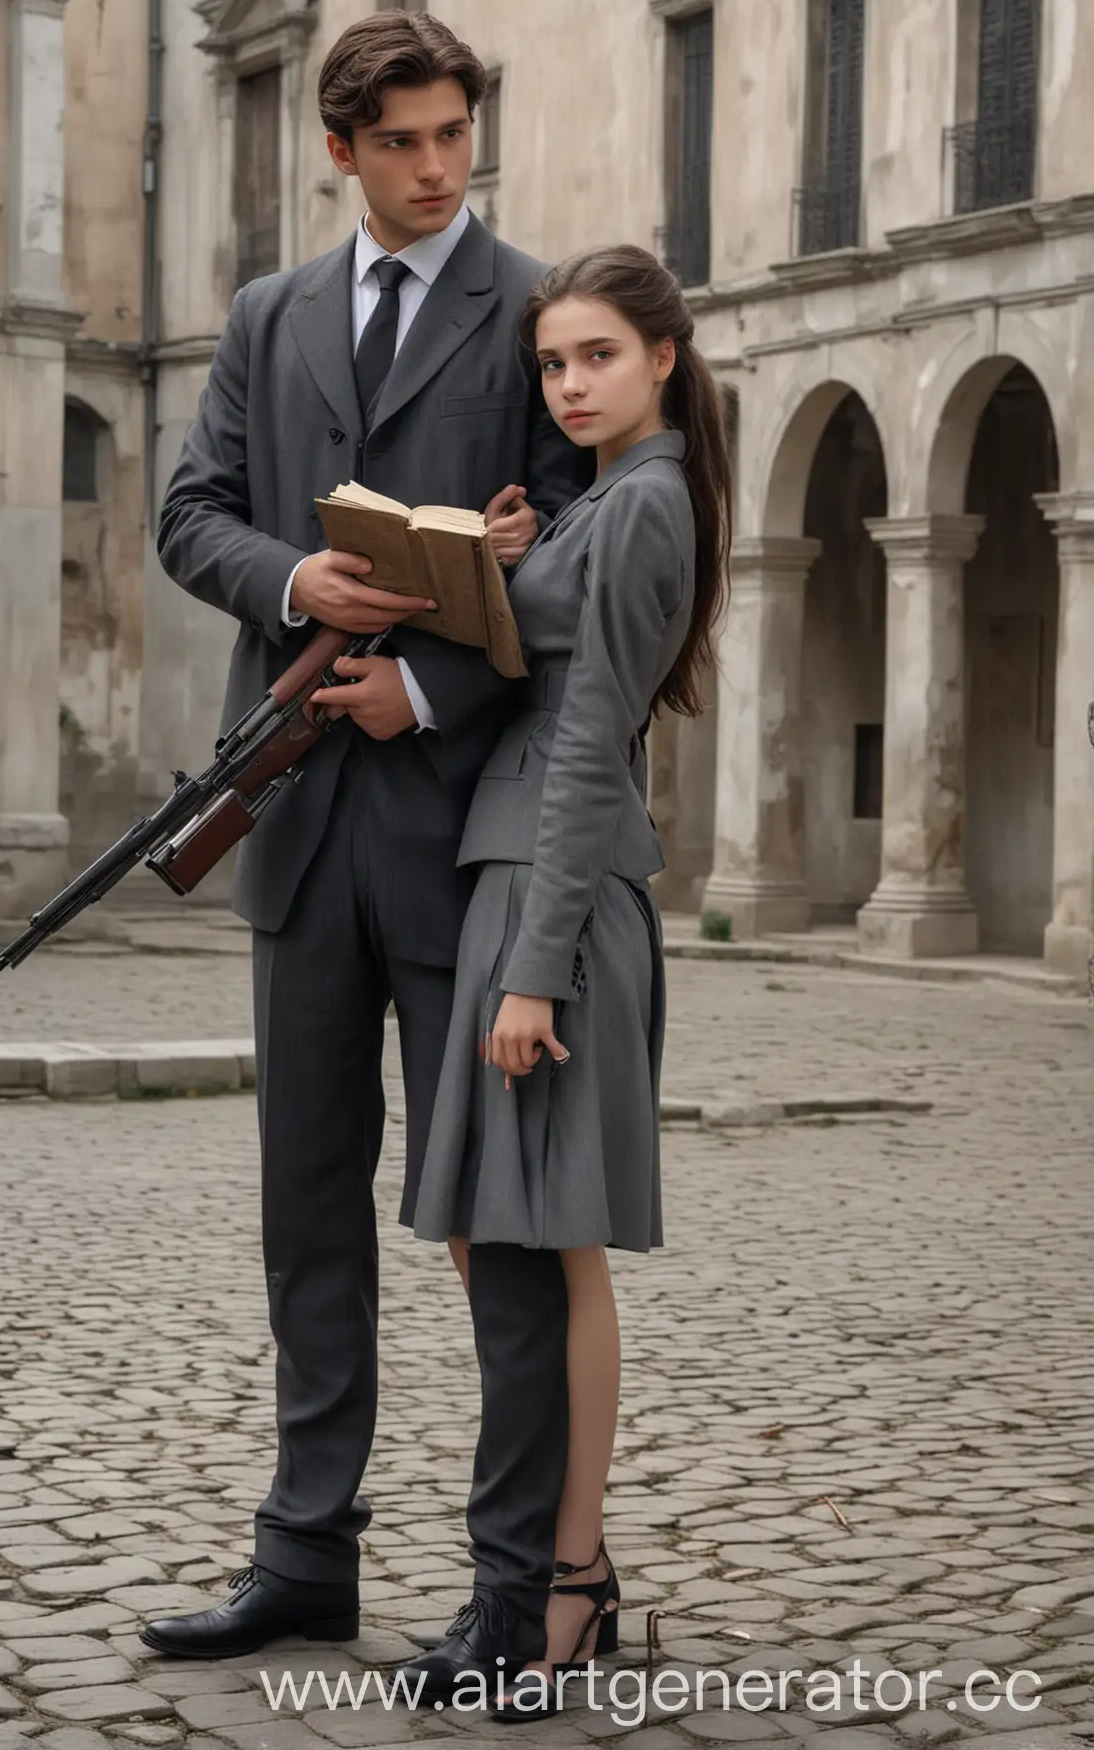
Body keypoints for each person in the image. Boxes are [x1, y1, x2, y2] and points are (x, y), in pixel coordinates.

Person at [139, 11, 589, 1661]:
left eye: (451, 136)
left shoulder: (537, 311)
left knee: (494, 1223)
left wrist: (435, 687)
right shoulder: (270, 316)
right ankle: (305, 1555)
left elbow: (576, 566)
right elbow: (190, 513)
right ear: (340, 148)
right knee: (306, 1210)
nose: (430, 167)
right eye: (398, 141)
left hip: (462, 839)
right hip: (296, 833)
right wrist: (292, 583)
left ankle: (510, 1594)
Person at [402, 245, 733, 1717]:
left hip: (557, 891)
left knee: (538, 1246)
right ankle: (559, 1581)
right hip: (518, 873)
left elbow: (597, 735)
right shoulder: (608, 505)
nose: (570, 382)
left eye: (597, 354)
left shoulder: (653, 502)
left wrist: (535, 972)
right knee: (517, 1242)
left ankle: (557, 1586)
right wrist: (511, 560)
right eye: (553, 363)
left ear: (663, 357)